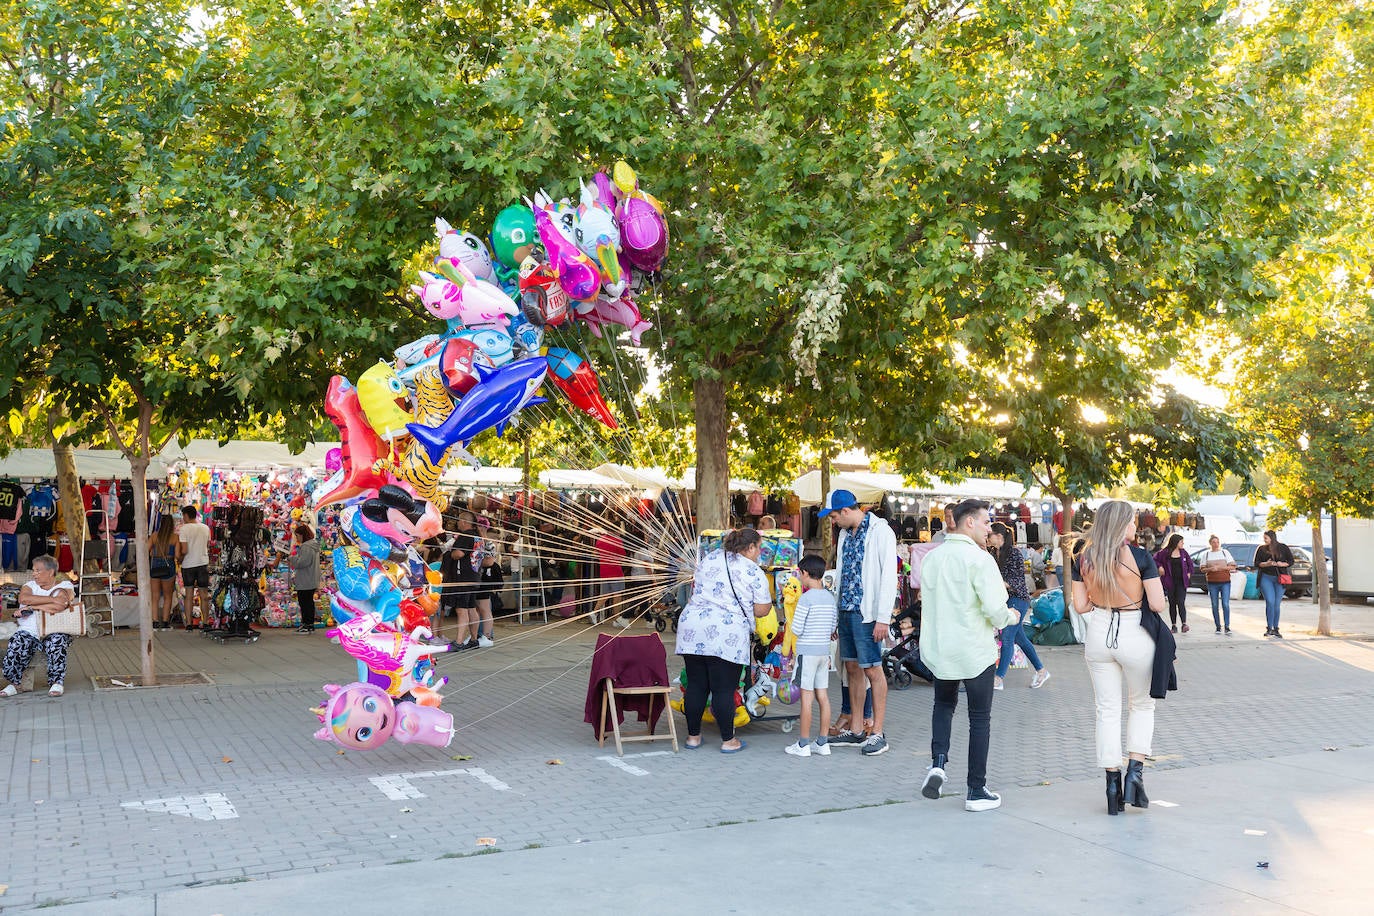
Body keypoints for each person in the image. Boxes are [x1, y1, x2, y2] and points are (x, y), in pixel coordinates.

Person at [918, 499, 1020, 812]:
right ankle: (976, 789)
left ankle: (938, 763)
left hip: (940, 648)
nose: (991, 529)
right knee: (979, 719)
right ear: (970, 522)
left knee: (943, 705)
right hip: (974, 649)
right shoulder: (980, 560)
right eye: (987, 522)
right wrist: (1011, 617)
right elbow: (994, 609)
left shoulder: (932, 558)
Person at [1070, 499, 1169, 816]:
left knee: (1107, 710)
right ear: (1122, 524)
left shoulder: (1082, 557)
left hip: (1099, 632)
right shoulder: (1140, 557)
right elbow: (1157, 604)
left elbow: (1081, 606)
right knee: (1141, 705)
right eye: (1132, 521)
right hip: (1134, 633)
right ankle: (1134, 776)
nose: (1135, 526)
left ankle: (1111, 784)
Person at [675, 527, 773, 753]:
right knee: (723, 689)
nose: (759, 553)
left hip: (692, 627)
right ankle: (728, 740)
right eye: (758, 548)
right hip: (725, 634)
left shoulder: (710, 558)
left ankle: (693, 737)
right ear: (749, 547)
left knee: (697, 684)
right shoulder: (753, 570)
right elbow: (761, 610)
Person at [823, 489, 897, 757]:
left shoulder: (880, 531)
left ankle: (877, 731)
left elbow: (889, 575)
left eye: (833, 516)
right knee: (852, 668)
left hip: (868, 613)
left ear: (844, 511)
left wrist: (882, 618)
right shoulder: (844, 535)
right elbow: (841, 576)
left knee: (873, 670)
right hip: (846, 610)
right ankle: (855, 730)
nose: (832, 522)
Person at [784, 554, 837, 758]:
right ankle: (822, 743)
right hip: (823, 652)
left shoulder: (805, 599)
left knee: (807, 698)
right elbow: (833, 627)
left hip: (807, 653)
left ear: (805, 573)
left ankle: (803, 744)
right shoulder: (829, 598)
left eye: (800, 574)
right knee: (823, 696)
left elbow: (796, 628)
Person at [2, 555, 78, 697]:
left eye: (38, 570)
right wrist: (51, 601)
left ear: (50, 572)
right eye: (33, 570)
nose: (34, 574)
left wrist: (32, 607)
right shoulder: (29, 586)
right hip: (29, 630)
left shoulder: (65, 585)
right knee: (17, 642)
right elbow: (24, 598)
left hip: (55, 628)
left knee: (57, 641)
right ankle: (15, 684)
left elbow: (61, 604)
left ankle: (57, 682)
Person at [988, 523, 1050, 691]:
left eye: (990, 535)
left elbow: (1017, 579)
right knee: (1019, 638)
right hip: (1004, 599)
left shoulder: (1014, 553)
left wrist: (997, 584)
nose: (988, 538)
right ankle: (1041, 670)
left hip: (1018, 599)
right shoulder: (993, 552)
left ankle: (998, 678)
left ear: (999, 536)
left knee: (1007, 637)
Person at [176, 505, 212, 629]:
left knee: (189, 594)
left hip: (188, 565)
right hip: (203, 563)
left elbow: (184, 549)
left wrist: (179, 559)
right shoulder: (205, 528)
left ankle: (189, 624)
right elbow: (207, 545)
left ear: (186, 515)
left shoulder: (184, 529)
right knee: (204, 595)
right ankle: (206, 622)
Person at [1254, 530, 1293, 638]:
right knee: (1270, 602)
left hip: (1280, 578)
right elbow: (1256, 563)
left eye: (1266, 538)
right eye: (1264, 538)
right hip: (1266, 577)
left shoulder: (1283, 547)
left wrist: (1282, 564)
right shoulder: (1261, 549)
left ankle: (1276, 629)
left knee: (1276, 604)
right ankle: (1269, 628)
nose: (1264, 540)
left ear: (1272, 537)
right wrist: (1266, 564)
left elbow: (1291, 561)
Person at [1153, 534, 1194, 633]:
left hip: (1181, 582)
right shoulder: (1165, 553)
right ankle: (1174, 625)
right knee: (1172, 603)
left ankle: (1184, 624)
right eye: (1181, 541)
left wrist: (1188, 573)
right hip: (1169, 582)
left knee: (1180, 602)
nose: (1183, 543)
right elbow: (1154, 559)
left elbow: (1190, 564)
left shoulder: (1183, 553)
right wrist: (1159, 567)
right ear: (1175, 542)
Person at [473, 526, 504, 647]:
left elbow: (489, 561)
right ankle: (478, 634)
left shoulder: (488, 544)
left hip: (484, 579)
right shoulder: (479, 542)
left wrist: (474, 562)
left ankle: (487, 635)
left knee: (484, 608)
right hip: (478, 579)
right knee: (477, 609)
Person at [1200, 535, 1237, 635]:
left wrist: (1221, 568)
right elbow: (1202, 569)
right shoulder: (1206, 555)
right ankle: (1218, 627)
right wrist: (1210, 569)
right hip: (1212, 583)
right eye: (1213, 542)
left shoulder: (1225, 553)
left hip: (1225, 582)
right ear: (1210, 543)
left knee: (1225, 604)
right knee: (1214, 604)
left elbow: (1233, 566)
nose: (1216, 544)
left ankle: (1227, 626)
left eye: (1217, 542)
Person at [148, 516, 180, 629]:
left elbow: (146, 549)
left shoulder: (154, 536)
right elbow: (177, 555)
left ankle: (155, 621)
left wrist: (153, 552)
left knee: (155, 596)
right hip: (168, 565)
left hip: (155, 565)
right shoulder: (175, 537)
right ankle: (165, 622)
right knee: (167, 596)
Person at [593, 521, 627, 628]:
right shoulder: (617, 541)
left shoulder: (600, 540)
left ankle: (594, 612)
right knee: (617, 595)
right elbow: (622, 556)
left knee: (605, 594)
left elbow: (595, 554)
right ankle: (616, 618)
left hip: (604, 570)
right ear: (616, 529)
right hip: (616, 570)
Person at [289, 524, 320, 633]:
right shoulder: (312, 546)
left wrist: (292, 559)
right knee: (308, 602)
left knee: (305, 603)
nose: (297, 538)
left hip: (305, 579)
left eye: (297, 536)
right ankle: (308, 624)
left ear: (302, 535)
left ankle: (307, 624)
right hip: (310, 578)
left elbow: (302, 562)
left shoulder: (306, 547)